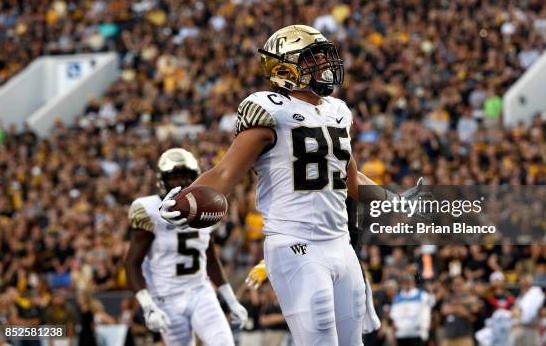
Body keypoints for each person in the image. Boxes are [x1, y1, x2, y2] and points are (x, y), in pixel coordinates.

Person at [159, 25, 401, 345]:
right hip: (296, 244)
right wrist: (185, 197)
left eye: (324, 58)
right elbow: (224, 173)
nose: (324, 67)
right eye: (312, 60)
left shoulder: (337, 112)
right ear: (285, 68)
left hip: (340, 243)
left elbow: (348, 177)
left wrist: (394, 202)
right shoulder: (270, 109)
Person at [124, 148, 247, 346]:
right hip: (166, 298)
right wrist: (147, 305)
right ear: (162, 180)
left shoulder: (205, 207)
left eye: (186, 177)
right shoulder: (148, 210)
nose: (180, 183)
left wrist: (232, 301)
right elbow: (131, 263)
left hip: (200, 291)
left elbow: (211, 260)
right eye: (174, 178)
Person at [388, 273, 433, 346]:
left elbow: (429, 309)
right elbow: (394, 318)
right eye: (404, 282)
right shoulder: (397, 298)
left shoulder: (422, 295)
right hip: (401, 335)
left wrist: (426, 330)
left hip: (417, 334)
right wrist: (393, 335)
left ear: (413, 282)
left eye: (408, 282)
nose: (406, 284)